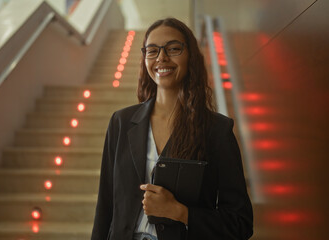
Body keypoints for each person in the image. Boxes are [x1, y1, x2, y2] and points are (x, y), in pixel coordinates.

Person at [91, 18, 253, 240]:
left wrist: (180, 212)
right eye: (152, 50)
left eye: (173, 48)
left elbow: (240, 223)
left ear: (191, 57)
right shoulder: (121, 122)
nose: (161, 58)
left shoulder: (217, 130)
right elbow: (105, 209)